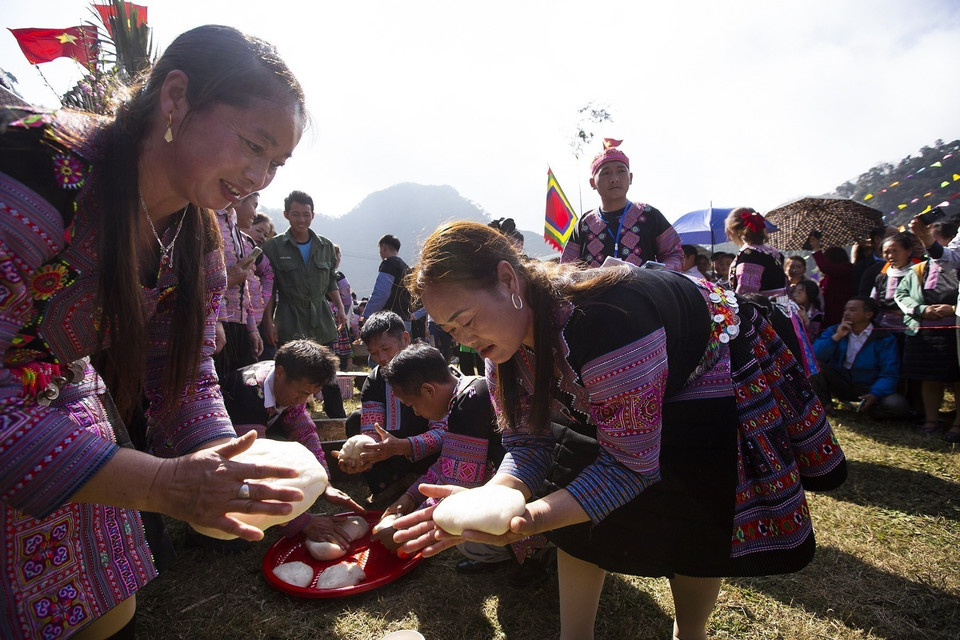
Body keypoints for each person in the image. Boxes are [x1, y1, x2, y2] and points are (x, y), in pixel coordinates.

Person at [391, 221, 846, 640]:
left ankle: (690, 633)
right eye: (449, 329)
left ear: (509, 280)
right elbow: (527, 442)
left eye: (466, 320)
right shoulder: (501, 358)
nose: (464, 339)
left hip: (705, 363)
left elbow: (630, 464)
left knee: (696, 498)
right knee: (574, 483)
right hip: (624, 372)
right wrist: (497, 494)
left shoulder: (610, 323)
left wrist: (530, 520)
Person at [0, 25, 308, 640]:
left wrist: (220, 467)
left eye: (276, 163)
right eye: (253, 145)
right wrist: (165, 484)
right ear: (175, 98)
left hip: (61, 405)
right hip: (23, 420)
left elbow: (184, 375)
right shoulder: (35, 175)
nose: (260, 177)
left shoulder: (199, 241)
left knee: (98, 610)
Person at [378, 343, 549, 586]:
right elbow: (448, 464)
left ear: (428, 390)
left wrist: (405, 525)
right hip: (531, 481)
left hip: (532, 489)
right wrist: (409, 497)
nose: (416, 413)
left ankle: (540, 557)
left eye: (412, 405)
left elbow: (458, 482)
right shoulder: (467, 389)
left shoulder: (466, 405)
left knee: (470, 542)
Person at [220, 339, 364, 545]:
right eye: (303, 393)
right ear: (279, 373)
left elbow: (306, 434)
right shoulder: (248, 392)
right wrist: (302, 523)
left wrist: (325, 484)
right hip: (200, 458)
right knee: (233, 539)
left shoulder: (286, 381)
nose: (303, 401)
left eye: (310, 394)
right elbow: (254, 467)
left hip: (245, 440)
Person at [338, 312, 443, 505]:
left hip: (427, 453)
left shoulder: (430, 369)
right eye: (374, 353)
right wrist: (365, 450)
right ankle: (389, 485)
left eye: (386, 348)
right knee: (356, 420)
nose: (382, 358)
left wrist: (404, 446)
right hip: (392, 450)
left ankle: (422, 479)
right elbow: (371, 428)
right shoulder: (375, 379)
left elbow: (444, 431)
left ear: (405, 339)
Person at [261, 190, 347, 418]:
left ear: (313, 215)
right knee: (293, 369)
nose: (301, 219)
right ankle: (292, 416)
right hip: (289, 316)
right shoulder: (274, 247)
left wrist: (339, 308)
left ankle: (337, 417)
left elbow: (330, 280)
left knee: (328, 370)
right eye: (296, 214)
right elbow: (270, 289)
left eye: (306, 214)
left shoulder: (325, 245)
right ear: (286, 214)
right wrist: (268, 322)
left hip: (321, 316)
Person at [560, 139, 683, 270]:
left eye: (621, 171)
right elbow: (566, 268)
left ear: (631, 178)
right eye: (606, 173)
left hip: (644, 290)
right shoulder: (584, 224)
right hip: (597, 291)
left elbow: (675, 255)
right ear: (592, 183)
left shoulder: (649, 215)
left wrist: (655, 275)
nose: (614, 179)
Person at [726, 208, 818, 377]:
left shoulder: (749, 255)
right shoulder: (772, 252)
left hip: (766, 317)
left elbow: (746, 296)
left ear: (733, 230)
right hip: (785, 312)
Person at [894, 220, 960, 439]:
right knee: (929, 376)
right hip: (924, 330)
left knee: (957, 378)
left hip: (954, 328)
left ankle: (957, 424)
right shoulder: (919, 268)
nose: (925, 244)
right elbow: (901, 295)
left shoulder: (955, 265)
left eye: (930, 238)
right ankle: (931, 419)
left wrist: (953, 308)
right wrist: (921, 309)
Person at [811, 297, 910, 418]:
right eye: (845, 309)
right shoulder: (835, 330)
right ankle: (824, 405)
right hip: (841, 382)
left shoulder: (884, 338)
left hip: (869, 385)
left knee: (897, 405)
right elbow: (813, 355)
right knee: (814, 366)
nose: (846, 313)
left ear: (868, 314)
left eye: (852, 310)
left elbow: (889, 372)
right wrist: (836, 337)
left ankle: (868, 409)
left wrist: (875, 393)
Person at [212, 198, 263, 380]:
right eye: (254, 205)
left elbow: (244, 283)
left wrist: (251, 328)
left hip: (238, 324)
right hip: (215, 323)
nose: (255, 213)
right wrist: (216, 320)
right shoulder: (208, 218)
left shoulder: (234, 226)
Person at [871, 232, 918, 332]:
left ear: (909, 251)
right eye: (886, 252)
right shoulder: (881, 277)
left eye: (895, 251)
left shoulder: (920, 273)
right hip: (885, 327)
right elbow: (873, 301)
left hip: (913, 325)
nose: (891, 256)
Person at [805, 234, 854, 329]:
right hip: (828, 315)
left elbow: (825, 267)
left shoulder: (846, 270)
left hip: (840, 314)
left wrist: (816, 249)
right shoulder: (828, 277)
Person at [362, 234, 412, 325]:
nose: (380, 252)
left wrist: (367, 316)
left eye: (380, 249)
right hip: (405, 319)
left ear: (384, 247)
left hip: (389, 320)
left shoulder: (389, 263)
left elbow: (382, 292)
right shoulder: (406, 268)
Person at [331, 245, 354, 371]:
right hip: (337, 314)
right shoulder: (338, 275)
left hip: (321, 313)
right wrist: (343, 311)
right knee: (339, 347)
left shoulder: (319, 274)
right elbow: (346, 297)